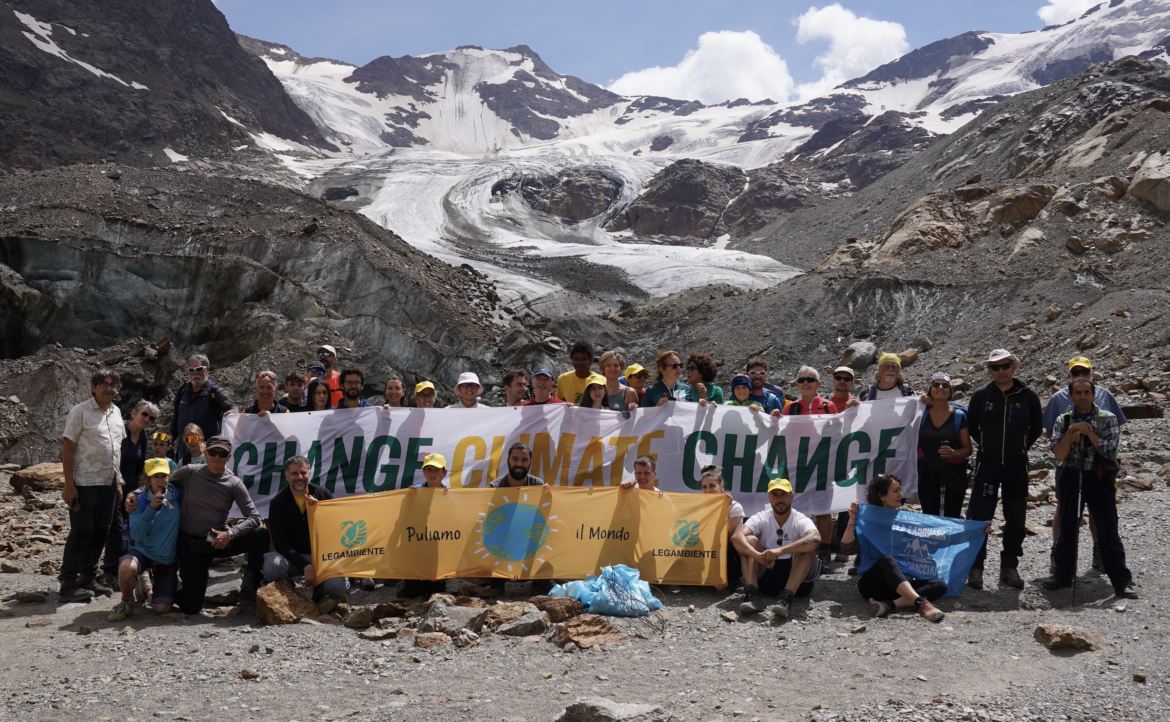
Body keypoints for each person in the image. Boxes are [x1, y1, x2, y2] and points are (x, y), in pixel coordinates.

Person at [126, 436, 269, 610]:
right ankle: (162, 587)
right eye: (213, 452)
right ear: (205, 453)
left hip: (219, 540)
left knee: (260, 535)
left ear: (229, 457)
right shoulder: (190, 471)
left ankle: (248, 588)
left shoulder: (234, 483)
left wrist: (231, 534)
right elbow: (159, 481)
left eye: (222, 454)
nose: (217, 457)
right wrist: (133, 494)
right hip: (192, 546)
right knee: (191, 608)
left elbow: (254, 517)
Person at [1042, 377, 1136, 599]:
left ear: (1094, 395)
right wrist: (1072, 430)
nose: (1083, 397)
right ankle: (1063, 575)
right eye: (1078, 393)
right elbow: (1059, 454)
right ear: (1071, 396)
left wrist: (1088, 432)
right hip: (1070, 476)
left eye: (1087, 392)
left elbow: (1110, 452)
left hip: (1099, 478)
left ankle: (1121, 581)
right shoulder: (1062, 420)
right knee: (1067, 526)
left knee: (1108, 529)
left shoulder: (1108, 419)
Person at [963, 349, 1043, 590]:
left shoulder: (1028, 395)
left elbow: (1037, 427)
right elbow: (972, 425)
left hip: (1017, 465)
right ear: (988, 369)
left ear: (1014, 367)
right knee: (980, 517)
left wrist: (1020, 448)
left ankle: (1009, 567)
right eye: (994, 367)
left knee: (1016, 517)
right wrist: (987, 445)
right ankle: (976, 567)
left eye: (1004, 366)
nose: (1000, 371)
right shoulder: (980, 395)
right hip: (988, 464)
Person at [838, 474, 952, 622]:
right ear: (881, 495)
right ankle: (921, 603)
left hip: (902, 583)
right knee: (887, 560)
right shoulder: (867, 518)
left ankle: (888, 605)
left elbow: (934, 537)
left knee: (940, 585)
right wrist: (851, 521)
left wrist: (974, 532)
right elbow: (847, 550)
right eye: (895, 491)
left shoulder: (908, 515)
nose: (901, 495)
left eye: (900, 490)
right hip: (873, 584)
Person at [59, 368, 127, 602]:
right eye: (104, 383)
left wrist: (118, 482)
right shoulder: (80, 412)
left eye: (113, 384)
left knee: (101, 533)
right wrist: (69, 485)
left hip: (108, 483)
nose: (109, 388)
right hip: (85, 483)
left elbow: (116, 449)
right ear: (93, 386)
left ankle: (87, 578)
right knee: (82, 532)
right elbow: (68, 450)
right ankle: (67, 584)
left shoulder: (117, 412)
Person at [262, 456, 348, 602]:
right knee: (272, 567)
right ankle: (291, 594)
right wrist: (306, 566)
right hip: (291, 557)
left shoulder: (323, 494)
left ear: (310, 474)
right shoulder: (278, 502)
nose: (299, 477)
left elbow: (335, 531)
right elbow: (280, 543)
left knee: (339, 589)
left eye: (303, 473)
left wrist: (318, 511)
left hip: (321, 556)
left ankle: (319, 591)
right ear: (287, 476)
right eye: (294, 473)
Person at [733, 478, 821, 620]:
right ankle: (752, 596)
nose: (779, 499)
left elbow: (816, 538)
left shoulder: (799, 518)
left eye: (783, 494)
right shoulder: (761, 517)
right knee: (748, 541)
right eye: (775, 495)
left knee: (808, 547)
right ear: (769, 498)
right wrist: (757, 555)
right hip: (766, 575)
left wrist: (780, 551)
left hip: (798, 582)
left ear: (791, 496)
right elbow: (736, 538)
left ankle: (787, 598)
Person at [108, 458, 181, 621]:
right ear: (148, 479)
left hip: (166, 557)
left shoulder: (178, 494)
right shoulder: (137, 500)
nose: (161, 480)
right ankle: (126, 601)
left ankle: (146, 587)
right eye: (156, 477)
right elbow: (136, 535)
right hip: (143, 551)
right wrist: (151, 509)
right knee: (127, 567)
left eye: (164, 476)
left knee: (161, 609)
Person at [782, 367, 837, 570]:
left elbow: (839, 431)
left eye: (811, 380)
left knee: (823, 510)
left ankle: (824, 554)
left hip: (822, 464)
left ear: (818, 384)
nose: (806, 383)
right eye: (802, 380)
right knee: (798, 509)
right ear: (797, 384)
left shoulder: (828, 405)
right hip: (798, 465)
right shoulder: (791, 407)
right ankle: (801, 550)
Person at [101, 400, 160, 581]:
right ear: (134, 413)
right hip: (112, 482)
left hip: (132, 484)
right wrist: (118, 484)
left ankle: (127, 566)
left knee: (131, 525)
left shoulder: (142, 436)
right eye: (144, 414)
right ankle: (110, 570)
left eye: (151, 418)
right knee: (117, 528)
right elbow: (111, 457)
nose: (147, 419)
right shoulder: (120, 429)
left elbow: (140, 464)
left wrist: (141, 489)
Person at [918, 372, 972, 518]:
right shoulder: (921, 415)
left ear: (950, 391)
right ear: (930, 389)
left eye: (945, 385)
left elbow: (968, 449)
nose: (940, 387)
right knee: (930, 516)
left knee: (952, 516)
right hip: (927, 475)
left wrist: (954, 453)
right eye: (936, 384)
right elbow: (917, 445)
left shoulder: (959, 417)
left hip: (953, 475)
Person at [169, 354, 237, 463]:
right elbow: (176, 419)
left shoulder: (215, 392)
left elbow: (232, 407)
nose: (195, 373)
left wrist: (232, 413)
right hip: (183, 450)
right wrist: (169, 439)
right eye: (191, 370)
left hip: (207, 453)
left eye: (199, 369)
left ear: (207, 370)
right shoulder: (182, 391)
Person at [700, 466, 744, 591]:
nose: (708, 490)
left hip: (728, 556)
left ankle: (718, 576)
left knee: (723, 543)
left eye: (712, 486)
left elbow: (725, 536)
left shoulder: (735, 507)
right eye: (704, 487)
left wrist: (724, 510)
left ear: (722, 487)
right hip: (705, 553)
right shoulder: (699, 508)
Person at [557, 339, 596, 404]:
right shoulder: (563, 379)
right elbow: (558, 404)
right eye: (576, 359)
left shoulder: (599, 381)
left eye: (583, 359)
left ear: (591, 360)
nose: (579, 363)